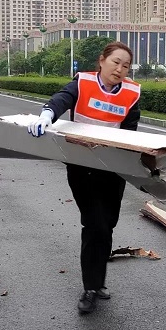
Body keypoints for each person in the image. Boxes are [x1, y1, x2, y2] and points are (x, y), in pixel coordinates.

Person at [27, 41, 141, 314]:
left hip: (112, 166)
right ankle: (90, 287)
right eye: (115, 62)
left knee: (108, 223)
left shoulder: (131, 94)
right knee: (94, 223)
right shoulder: (83, 83)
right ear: (101, 61)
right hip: (82, 166)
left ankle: (98, 282)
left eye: (126, 66)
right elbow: (61, 99)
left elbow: (130, 131)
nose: (120, 69)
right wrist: (47, 115)